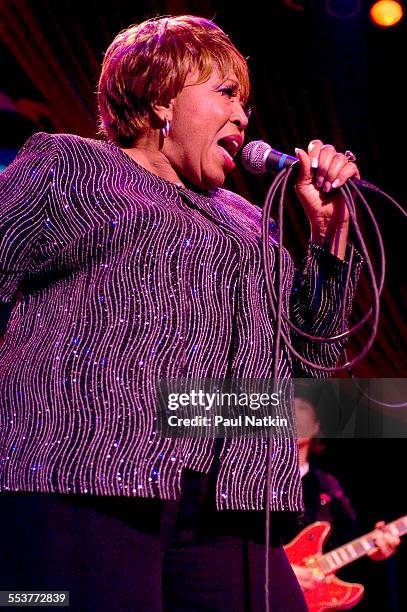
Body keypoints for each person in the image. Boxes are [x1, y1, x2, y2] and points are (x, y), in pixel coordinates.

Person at [0, 15, 363, 611]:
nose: (244, 116)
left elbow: (314, 360)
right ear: (161, 94)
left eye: (246, 102)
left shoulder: (250, 222)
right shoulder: (73, 168)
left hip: (233, 496)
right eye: (225, 93)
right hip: (86, 478)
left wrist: (328, 237)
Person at [291, 396, 401, 592]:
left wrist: (376, 553)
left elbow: (350, 541)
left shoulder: (329, 486)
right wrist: (280, 571)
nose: (295, 414)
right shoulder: (249, 480)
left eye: (302, 410)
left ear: (316, 426)